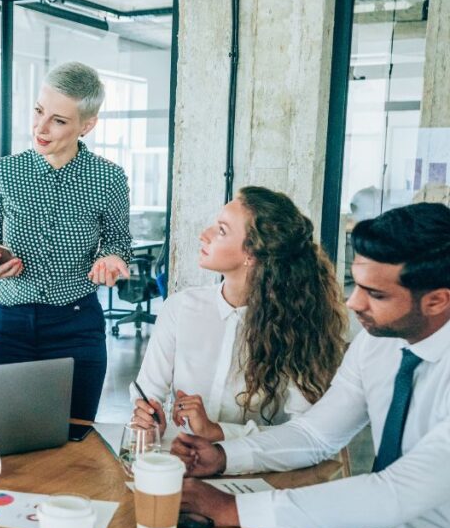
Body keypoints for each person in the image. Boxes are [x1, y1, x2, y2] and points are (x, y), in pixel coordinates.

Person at [174, 203, 450, 528]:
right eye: (358, 286)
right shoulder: (379, 343)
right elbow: (318, 433)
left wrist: (232, 509)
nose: (352, 303)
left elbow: (393, 494)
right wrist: (226, 454)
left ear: (438, 300)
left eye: (376, 295)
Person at [0, 61, 132, 421]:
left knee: (74, 444)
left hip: (76, 329)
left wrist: (111, 259)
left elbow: (118, 242)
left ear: (86, 125)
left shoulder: (108, 179)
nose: (40, 128)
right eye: (38, 111)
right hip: (8, 325)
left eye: (58, 120)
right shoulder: (5, 172)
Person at [131, 187, 347, 441]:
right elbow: (147, 392)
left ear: (252, 254)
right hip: (179, 461)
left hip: (260, 471)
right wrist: (146, 416)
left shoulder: (299, 323)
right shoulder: (179, 307)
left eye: (221, 230)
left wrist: (217, 432)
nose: (204, 235)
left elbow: (306, 432)